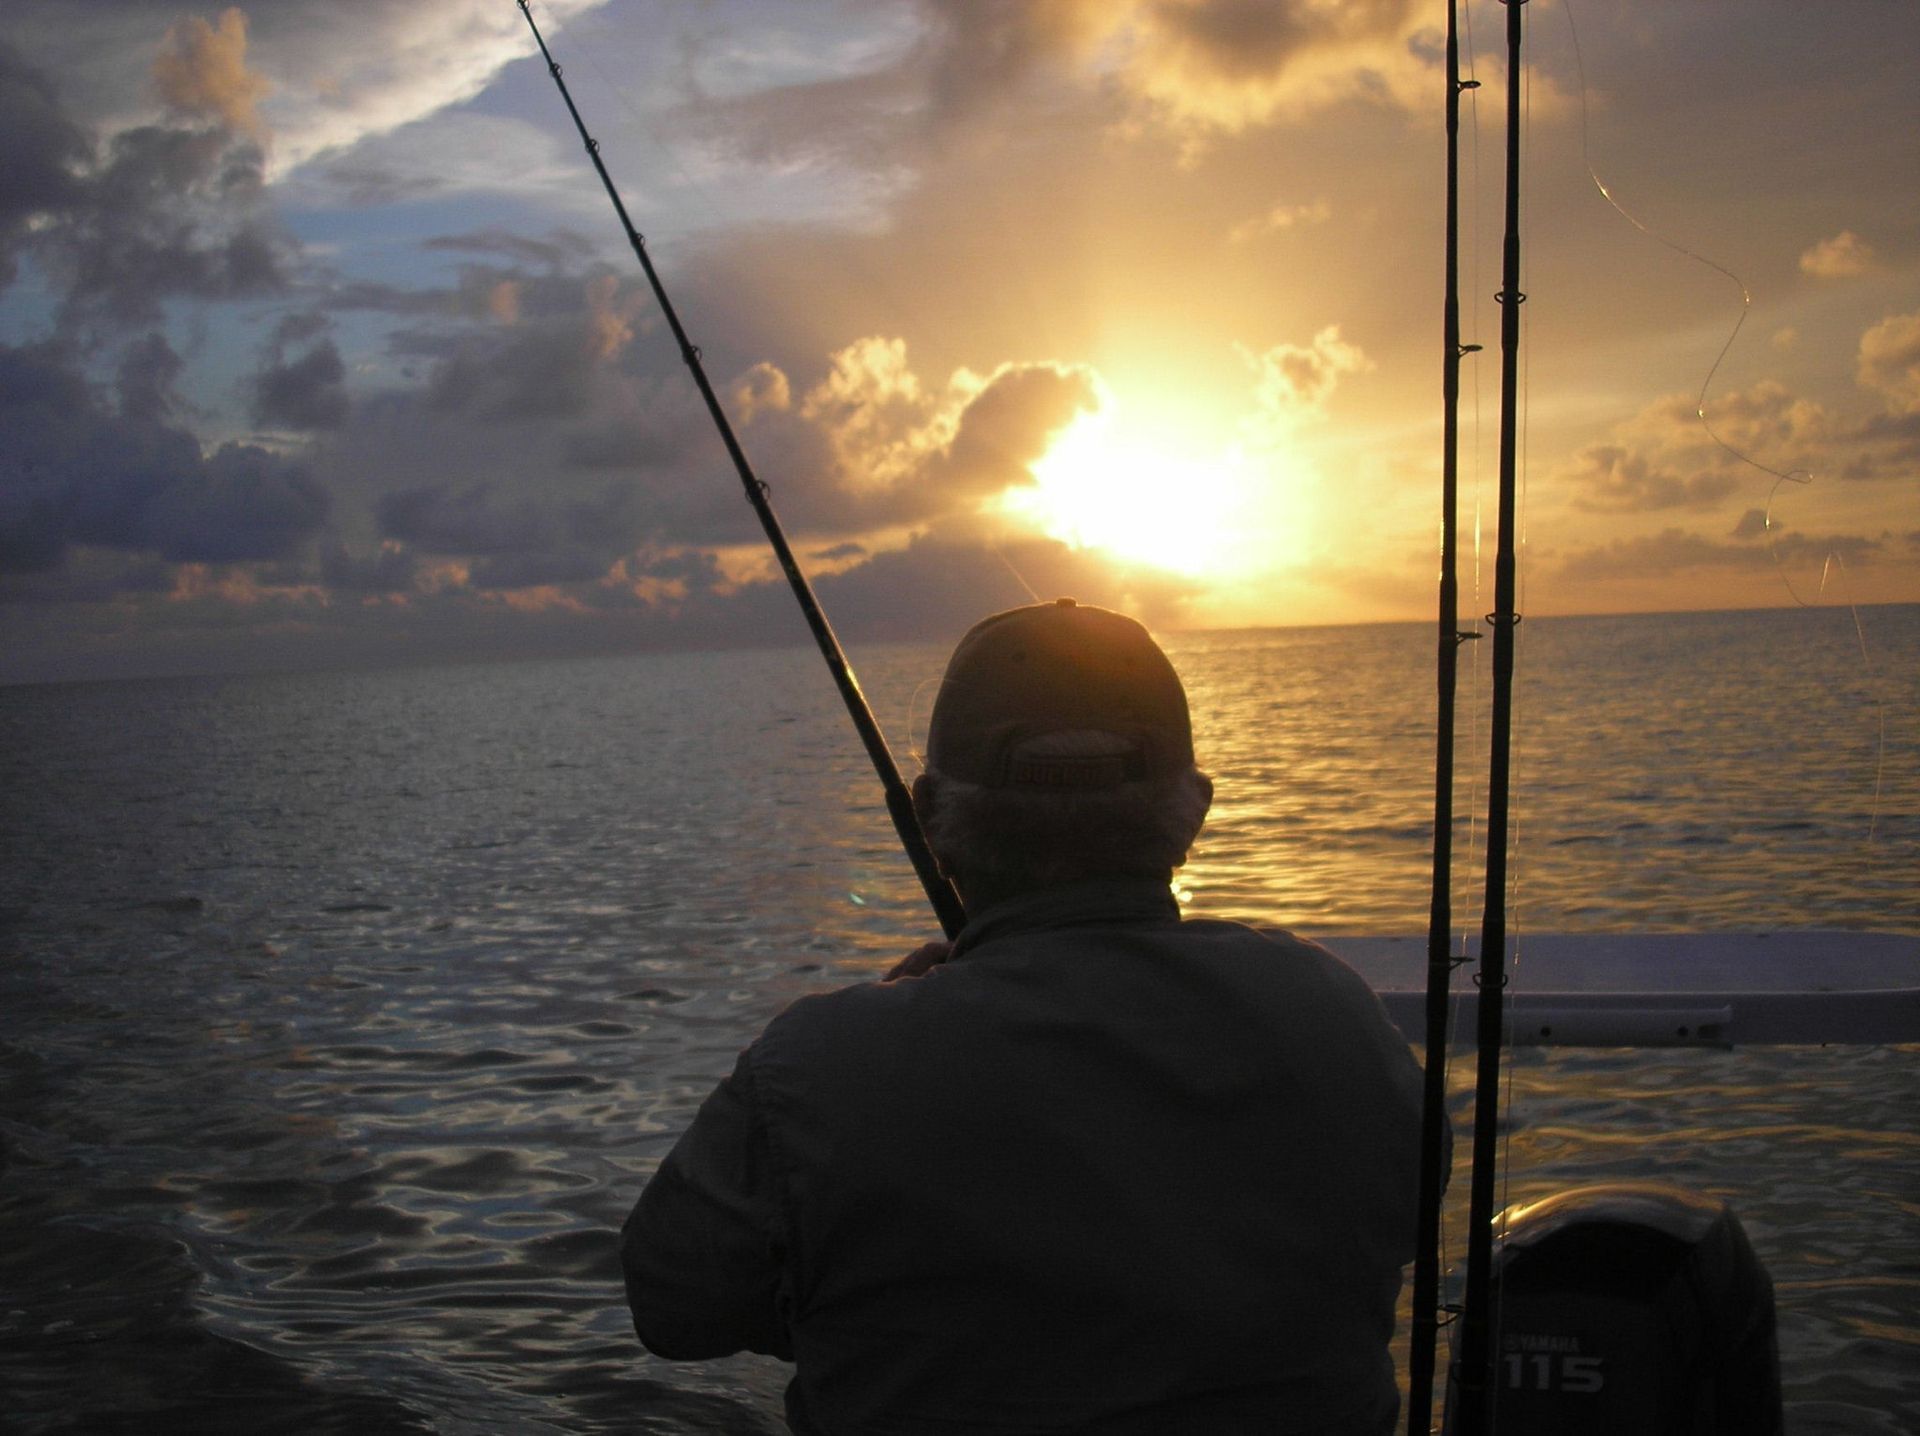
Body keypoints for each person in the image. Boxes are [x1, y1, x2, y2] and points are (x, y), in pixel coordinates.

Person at [620, 598, 1426, 1435]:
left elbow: (673, 1306)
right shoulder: (1340, 1018)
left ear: (932, 819)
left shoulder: (817, 1069)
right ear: (1196, 809)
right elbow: (1406, 1211)